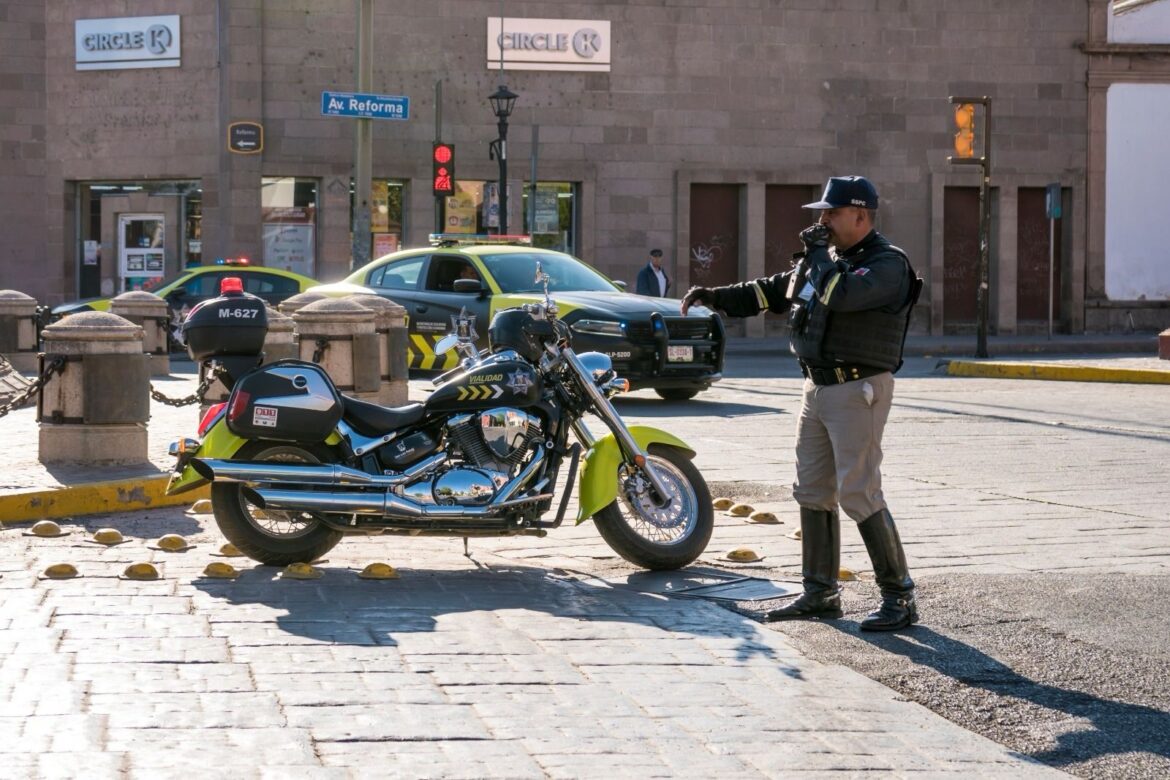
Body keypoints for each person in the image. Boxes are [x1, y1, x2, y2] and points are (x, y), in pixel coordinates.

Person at [681, 175, 922, 631]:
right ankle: (820, 593)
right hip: (817, 387)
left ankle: (899, 596)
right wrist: (715, 296)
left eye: (830, 213)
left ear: (861, 215)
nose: (822, 220)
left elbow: (841, 295)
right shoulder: (825, 259)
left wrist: (816, 256)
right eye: (821, 213)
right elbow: (772, 291)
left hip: (858, 388)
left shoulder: (887, 264)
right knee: (812, 490)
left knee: (859, 491)